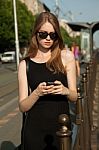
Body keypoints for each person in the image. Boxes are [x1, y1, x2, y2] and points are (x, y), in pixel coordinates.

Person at [18, 11, 77, 150]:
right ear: (36, 33)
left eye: (53, 34)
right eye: (43, 34)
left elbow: (74, 97)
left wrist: (65, 90)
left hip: (60, 130)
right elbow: (22, 106)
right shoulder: (25, 64)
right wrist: (37, 93)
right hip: (34, 131)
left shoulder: (66, 57)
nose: (48, 38)